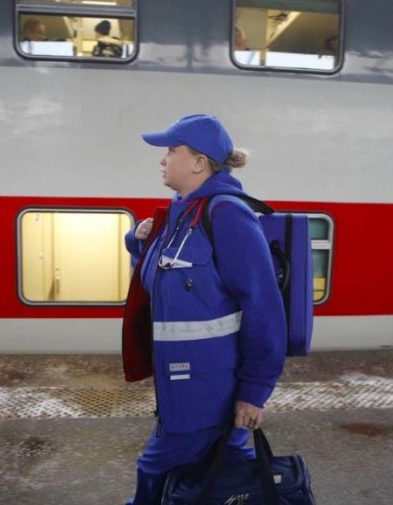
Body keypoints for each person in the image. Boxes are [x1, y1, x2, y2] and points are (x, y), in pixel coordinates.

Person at [123, 114, 287, 504]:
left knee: (156, 469)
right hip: (182, 380)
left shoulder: (226, 213)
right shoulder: (182, 213)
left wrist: (254, 391)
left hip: (205, 387)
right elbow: (164, 285)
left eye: (171, 151)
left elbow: (263, 306)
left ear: (199, 162)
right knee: (229, 468)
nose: (163, 159)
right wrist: (137, 243)